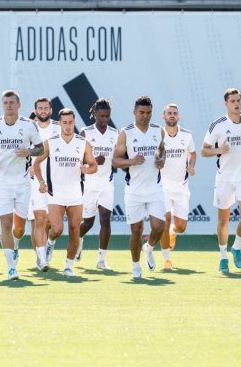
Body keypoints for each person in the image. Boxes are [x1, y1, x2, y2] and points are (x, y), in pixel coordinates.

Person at [0, 90, 43, 280]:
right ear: (2, 104)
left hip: (23, 182)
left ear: (18, 104)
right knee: (5, 223)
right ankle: (11, 268)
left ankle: (16, 244)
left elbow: (40, 148)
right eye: (5, 102)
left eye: (11, 102)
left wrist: (30, 152)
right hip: (1, 183)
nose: (8, 105)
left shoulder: (29, 125)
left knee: (20, 228)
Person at [34, 109, 97, 276]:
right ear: (60, 123)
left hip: (76, 194)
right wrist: (41, 182)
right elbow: (36, 163)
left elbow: (94, 165)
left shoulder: (83, 143)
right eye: (64, 122)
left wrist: (87, 169)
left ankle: (68, 266)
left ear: (74, 122)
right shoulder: (50, 142)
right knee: (57, 229)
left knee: (75, 230)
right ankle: (50, 241)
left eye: (70, 122)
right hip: (55, 194)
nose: (68, 126)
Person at [202, 88, 241, 273]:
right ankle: (223, 256)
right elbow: (204, 150)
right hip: (225, 177)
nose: (236, 104)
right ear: (225, 103)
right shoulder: (217, 125)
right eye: (232, 101)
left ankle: (237, 247)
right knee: (224, 220)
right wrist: (219, 151)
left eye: (238, 100)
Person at [112, 96, 166, 279]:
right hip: (134, 190)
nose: (145, 116)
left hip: (155, 188)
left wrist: (161, 159)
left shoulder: (159, 130)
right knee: (136, 230)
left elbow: (161, 149)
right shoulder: (126, 133)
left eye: (149, 113)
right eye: (141, 112)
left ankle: (148, 248)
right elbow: (116, 160)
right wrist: (131, 161)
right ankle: (136, 266)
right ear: (134, 112)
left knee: (159, 228)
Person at [77, 98, 118, 270]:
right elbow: (77, 161)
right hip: (89, 184)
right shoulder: (86, 133)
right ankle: (78, 240)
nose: (104, 120)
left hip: (106, 184)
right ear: (94, 114)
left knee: (106, 220)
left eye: (107, 116)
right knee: (88, 223)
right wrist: (93, 161)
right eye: (101, 116)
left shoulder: (115, 134)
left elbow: (118, 158)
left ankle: (101, 260)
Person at [160, 104, 196, 270]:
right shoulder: (157, 135)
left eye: (175, 113)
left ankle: (173, 233)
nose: (172, 116)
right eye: (169, 113)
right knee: (165, 220)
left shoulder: (187, 135)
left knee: (181, 227)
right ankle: (167, 260)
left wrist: (192, 165)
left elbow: (193, 153)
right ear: (163, 116)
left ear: (178, 117)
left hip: (181, 186)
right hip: (162, 186)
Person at [28, 97, 60, 269]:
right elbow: (22, 150)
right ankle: (41, 259)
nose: (43, 111)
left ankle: (49, 243)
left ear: (50, 110)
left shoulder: (59, 127)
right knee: (38, 220)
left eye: (45, 108)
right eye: (39, 108)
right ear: (35, 110)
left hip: (56, 181)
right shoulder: (28, 127)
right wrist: (29, 166)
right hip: (35, 181)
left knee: (52, 224)